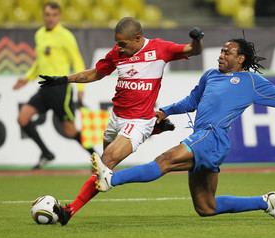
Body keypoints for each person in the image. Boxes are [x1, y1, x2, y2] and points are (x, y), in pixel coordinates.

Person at [89, 38, 275, 220]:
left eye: (227, 52)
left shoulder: (251, 82)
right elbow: (192, 101)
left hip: (212, 137)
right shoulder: (210, 76)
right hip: (203, 137)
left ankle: (111, 179)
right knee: (206, 207)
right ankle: (264, 201)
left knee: (165, 160)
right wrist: (166, 110)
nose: (221, 54)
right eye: (221, 51)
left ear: (240, 58)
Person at [39, 17, 204, 225]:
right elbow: (95, 74)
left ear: (137, 38)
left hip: (138, 121)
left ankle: (69, 211)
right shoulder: (117, 53)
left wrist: (197, 40)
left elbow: (193, 50)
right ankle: (157, 127)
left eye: (123, 44)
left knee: (105, 162)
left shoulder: (160, 49)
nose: (119, 48)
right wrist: (63, 79)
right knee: (101, 171)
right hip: (116, 118)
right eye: (117, 43)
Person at [12, 1, 94, 170]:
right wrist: (27, 78)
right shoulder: (39, 34)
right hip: (44, 88)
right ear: (43, 16)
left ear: (59, 16)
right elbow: (39, 62)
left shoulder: (65, 36)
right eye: (47, 15)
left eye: (54, 15)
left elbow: (77, 61)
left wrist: (80, 88)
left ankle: (98, 158)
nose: (50, 19)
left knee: (70, 130)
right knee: (23, 118)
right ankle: (46, 153)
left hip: (61, 89)